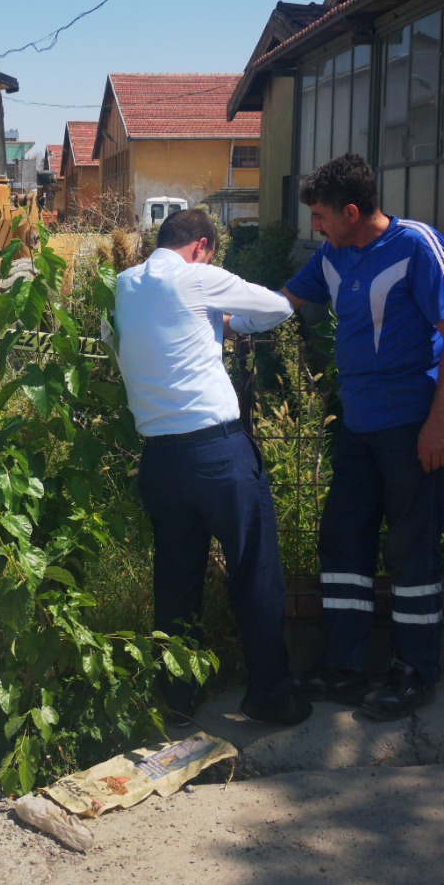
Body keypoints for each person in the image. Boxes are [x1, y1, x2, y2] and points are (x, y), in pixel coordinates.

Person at [281, 154, 444, 721]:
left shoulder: (416, 245)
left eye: (319, 215)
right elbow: (283, 302)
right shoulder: (331, 255)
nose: (314, 226)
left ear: (349, 211)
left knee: (411, 551)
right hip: (358, 427)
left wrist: (440, 423)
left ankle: (413, 673)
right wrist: (215, 315)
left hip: (413, 429)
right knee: (344, 543)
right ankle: (343, 668)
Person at [109, 209, 308, 728]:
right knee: (254, 570)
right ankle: (270, 694)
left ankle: (177, 695)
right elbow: (275, 309)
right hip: (216, 454)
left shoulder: (126, 284)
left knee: (175, 579)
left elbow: (126, 342)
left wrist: (211, 322)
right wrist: (230, 318)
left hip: (160, 459)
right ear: (201, 246)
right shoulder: (198, 276)